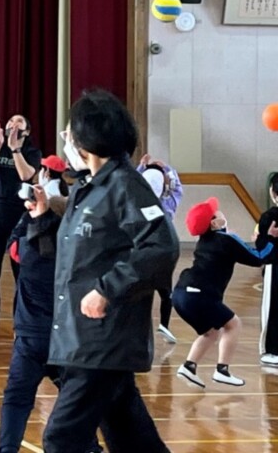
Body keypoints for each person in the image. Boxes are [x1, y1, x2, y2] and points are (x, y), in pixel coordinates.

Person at [42, 89, 179, 453]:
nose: (67, 139)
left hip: (103, 341)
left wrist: (107, 288)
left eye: (71, 132)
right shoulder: (89, 189)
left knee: (62, 439)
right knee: (132, 439)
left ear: (89, 138)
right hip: (80, 339)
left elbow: (160, 246)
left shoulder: (125, 185)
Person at [0, 185, 101, 453]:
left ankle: (7, 449)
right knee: (74, 401)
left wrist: (29, 214)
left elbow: (12, 241)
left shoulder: (25, 250)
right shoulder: (74, 255)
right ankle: (91, 448)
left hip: (30, 340)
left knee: (17, 399)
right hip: (65, 340)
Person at [174, 197, 275, 388]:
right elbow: (259, 258)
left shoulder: (206, 240)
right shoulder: (226, 239)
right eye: (217, 211)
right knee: (233, 324)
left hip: (180, 294)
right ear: (214, 223)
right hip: (199, 295)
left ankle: (189, 366)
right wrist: (268, 238)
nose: (221, 211)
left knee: (211, 331)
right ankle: (222, 370)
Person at [0, 115, 42, 338]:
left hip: (21, 216)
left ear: (27, 130)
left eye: (20, 122)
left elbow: (26, 175)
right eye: (11, 121)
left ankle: (20, 325)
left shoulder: (32, 152)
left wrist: (15, 150)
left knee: (20, 273)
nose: (14, 124)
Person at [137, 154, 184, 345]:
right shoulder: (167, 205)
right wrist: (167, 169)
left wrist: (141, 167)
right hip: (164, 252)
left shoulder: (136, 203)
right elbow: (177, 189)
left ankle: (140, 330)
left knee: (141, 293)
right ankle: (164, 324)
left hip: (142, 251)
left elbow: (130, 182)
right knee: (166, 292)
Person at [255, 174, 278, 366]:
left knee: (272, 308)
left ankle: (271, 350)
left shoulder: (270, 217)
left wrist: (268, 238)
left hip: (275, 267)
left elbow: (262, 251)